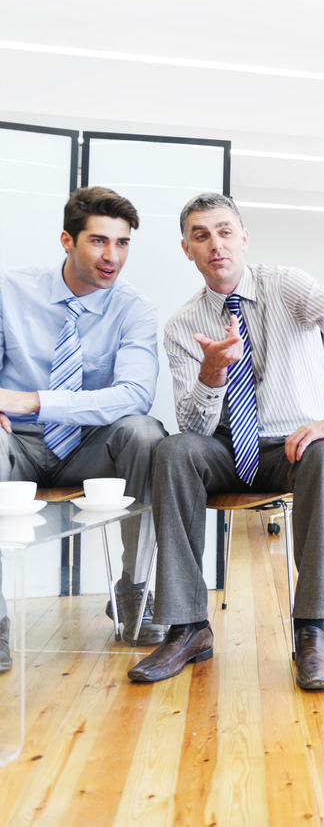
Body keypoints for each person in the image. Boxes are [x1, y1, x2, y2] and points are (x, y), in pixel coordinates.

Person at [127, 193, 324, 691]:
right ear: (186, 250)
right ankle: (188, 626)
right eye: (200, 235)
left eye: (223, 231)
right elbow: (192, 424)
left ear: (243, 237)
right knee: (172, 450)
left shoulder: (286, 284)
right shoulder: (181, 326)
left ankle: (311, 629)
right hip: (221, 448)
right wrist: (211, 374)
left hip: (291, 446)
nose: (214, 244)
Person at [0, 186, 167, 645]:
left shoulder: (135, 308)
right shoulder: (9, 289)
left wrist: (34, 399)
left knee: (145, 433)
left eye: (123, 242)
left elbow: (135, 395)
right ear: (66, 241)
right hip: (18, 446)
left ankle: (134, 589)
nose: (112, 255)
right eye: (98, 240)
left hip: (90, 452)